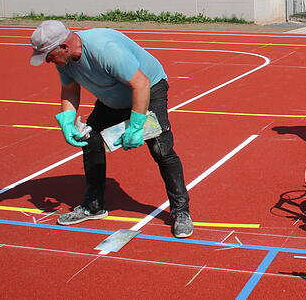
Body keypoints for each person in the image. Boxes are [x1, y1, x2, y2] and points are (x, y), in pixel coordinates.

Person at [29, 20, 193, 238]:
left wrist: (136, 126)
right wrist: (68, 120)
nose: (49, 62)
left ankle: (181, 211)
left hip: (148, 89)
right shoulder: (64, 61)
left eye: (49, 56)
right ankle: (93, 206)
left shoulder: (105, 50)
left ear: (64, 47)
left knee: (160, 149)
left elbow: (140, 84)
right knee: (90, 139)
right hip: (112, 98)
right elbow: (69, 89)